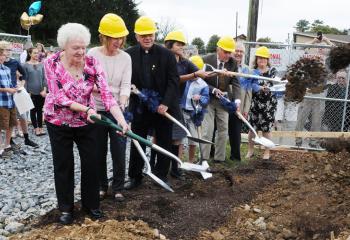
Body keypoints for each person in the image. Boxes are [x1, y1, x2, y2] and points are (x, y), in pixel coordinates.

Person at [44, 23, 129, 225]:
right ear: (64, 47)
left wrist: (122, 120)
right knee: (63, 165)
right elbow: (59, 97)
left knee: (91, 162)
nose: (81, 52)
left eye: (83, 47)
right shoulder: (51, 62)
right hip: (58, 121)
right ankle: (66, 208)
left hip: (86, 122)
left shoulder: (92, 64)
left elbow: (107, 96)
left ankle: (91, 206)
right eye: (76, 48)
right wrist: (87, 109)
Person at [125, 16, 180, 189]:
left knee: (164, 140)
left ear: (154, 34)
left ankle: (161, 175)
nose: (147, 38)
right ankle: (135, 176)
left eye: (150, 34)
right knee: (137, 140)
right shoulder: (129, 55)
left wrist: (166, 103)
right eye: (143, 35)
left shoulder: (167, 55)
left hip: (162, 107)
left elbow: (174, 81)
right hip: (140, 107)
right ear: (137, 36)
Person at [87, 13, 131, 201]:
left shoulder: (126, 58)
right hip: (97, 108)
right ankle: (101, 186)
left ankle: (118, 187)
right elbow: (86, 80)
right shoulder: (92, 54)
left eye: (121, 37)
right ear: (104, 37)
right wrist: (98, 89)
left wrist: (122, 100)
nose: (118, 41)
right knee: (98, 150)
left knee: (119, 149)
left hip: (118, 109)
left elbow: (126, 84)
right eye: (114, 37)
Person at [163, 30, 209, 177]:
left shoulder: (184, 62)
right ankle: (157, 166)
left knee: (177, 137)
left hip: (176, 103)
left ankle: (175, 168)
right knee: (160, 135)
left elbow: (202, 74)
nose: (182, 46)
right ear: (170, 45)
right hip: (163, 101)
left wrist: (220, 72)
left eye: (183, 44)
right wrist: (194, 75)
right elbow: (175, 79)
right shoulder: (163, 60)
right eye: (178, 44)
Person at [201, 36, 240, 163]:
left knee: (223, 129)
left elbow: (236, 81)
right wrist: (212, 89)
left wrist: (237, 100)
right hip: (209, 98)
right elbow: (200, 80)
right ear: (218, 49)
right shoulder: (206, 60)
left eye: (230, 52)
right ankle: (204, 157)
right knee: (208, 129)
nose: (228, 55)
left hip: (224, 100)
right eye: (226, 52)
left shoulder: (233, 63)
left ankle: (219, 158)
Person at [0, 40, 38, 148]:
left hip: (15, 92)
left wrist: (21, 84)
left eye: (10, 50)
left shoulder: (14, 62)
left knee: (22, 116)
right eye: (7, 50)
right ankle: (9, 143)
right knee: (7, 119)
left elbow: (24, 75)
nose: (9, 52)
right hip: (4, 95)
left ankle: (26, 139)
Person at [246, 46, 277, 160]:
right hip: (255, 104)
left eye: (264, 58)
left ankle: (266, 151)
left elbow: (275, 85)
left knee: (266, 129)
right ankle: (250, 150)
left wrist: (267, 88)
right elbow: (251, 86)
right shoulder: (253, 72)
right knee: (252, 129)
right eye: (260, 58)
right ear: (256, 59)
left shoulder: (272, 71)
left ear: (267, 60)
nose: (262, 60)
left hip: (269, 105)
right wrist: (260, 87)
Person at [228, 42, 257, 161]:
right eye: (237, 51)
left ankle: (235, 157)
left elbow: (249, 92)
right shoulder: (226, 66)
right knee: (218, 130)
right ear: (232, 52)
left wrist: (245, 109)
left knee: (235, 131)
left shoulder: (247, 70)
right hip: (225, 103)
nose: (238, 53)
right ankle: (212, 154)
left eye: (241, 51)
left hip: (239, 107)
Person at [181, 55, 210, 162]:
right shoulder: (184, 80)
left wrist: (200, 98)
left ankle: (191, 161)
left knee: (193, 139)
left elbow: (206, 100)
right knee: (179, 138)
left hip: (193, 114)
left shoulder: (203, 85)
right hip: (181, 111)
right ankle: (178, 162)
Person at [22, 47, 47, 136]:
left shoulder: (41, 64)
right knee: (33, 111)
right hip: (31, 92)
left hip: (41, 92)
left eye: (38, 53)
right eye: (35, 53)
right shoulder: (25, 65)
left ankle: (41, 128)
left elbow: (44, 78)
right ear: (30, 54)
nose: (37, 55)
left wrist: (44, 90)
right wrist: (27, 92)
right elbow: (25, 80)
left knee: (40, 110)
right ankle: (36, 128)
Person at [0, 47, 18, 158]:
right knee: (1, 126)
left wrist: (15, 88)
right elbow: (6, 88)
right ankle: (0, 148)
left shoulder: (6, 69)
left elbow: (9, 85)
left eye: (3, 55)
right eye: (1, 55)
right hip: (1, 103)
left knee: (11, 124)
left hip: (11, 101)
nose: (3, 57)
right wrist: (7, 90)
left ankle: (7, 145)